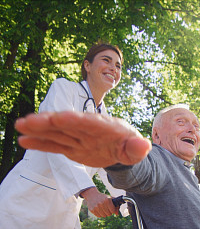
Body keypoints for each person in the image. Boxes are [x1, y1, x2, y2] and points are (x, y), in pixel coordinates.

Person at [14, 104, 200, 228]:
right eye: (181, 122)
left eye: (196, 125)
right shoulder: (158, 158)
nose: (192, 128)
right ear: (156, 136)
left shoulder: (188, 180)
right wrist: (116, 156)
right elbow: (139, 174)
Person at [0, 42, 129, 229]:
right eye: (106, 60)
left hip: (64, 216)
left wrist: (132, 201)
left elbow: (112, 168)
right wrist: (89, 191)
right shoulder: (64, 89)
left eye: (118, 65)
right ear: (87, 66)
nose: (113, 68)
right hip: (25, 205)